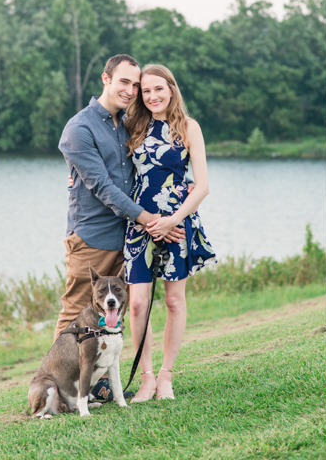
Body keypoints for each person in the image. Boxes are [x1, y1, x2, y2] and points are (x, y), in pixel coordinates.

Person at [57, 54, 186, 401]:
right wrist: (150, 219)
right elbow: (102, 186)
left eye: (135, 84)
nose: (130, 91)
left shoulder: (126, 122)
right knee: (77, 313)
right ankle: (59, 386)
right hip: (94, 237)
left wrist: (173, 202)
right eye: (124, 82)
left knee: (111, 313)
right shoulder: (79, 129)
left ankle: (97, 384)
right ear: (105, 79)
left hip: (129, 237)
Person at [123, 64, 215, 402]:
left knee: (174, 300)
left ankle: (166, 376)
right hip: (140, 223)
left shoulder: (189, 127)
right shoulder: (132, 125)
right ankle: (145, 377)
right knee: (137, 304)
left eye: (158, 89)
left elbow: (203, 185)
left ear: (171, 89)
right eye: (146, 91)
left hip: (178, 223)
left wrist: (173, 219)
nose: (152, 96)